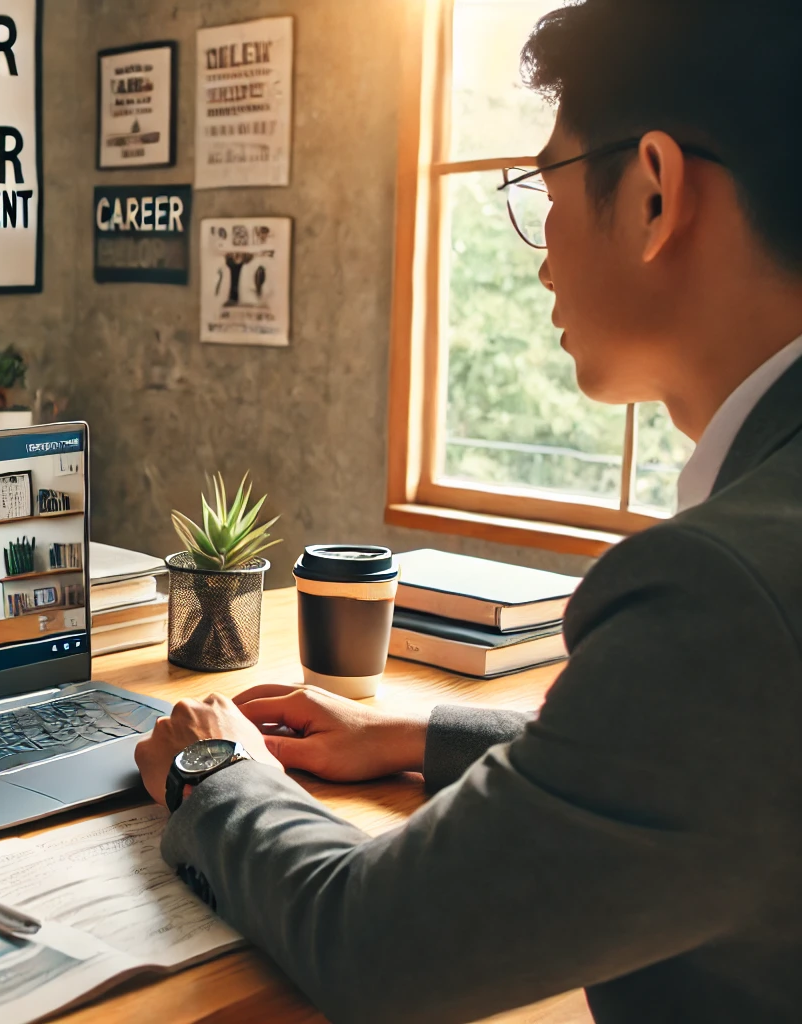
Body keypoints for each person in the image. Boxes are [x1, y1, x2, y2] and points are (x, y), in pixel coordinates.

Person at [134, 2, 802, 1021]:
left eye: (546, 189)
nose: (539, 255)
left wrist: (209, 764)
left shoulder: (725, 599)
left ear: (656, 195)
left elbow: (370, 941)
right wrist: (413, 734)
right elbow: (720, 773)